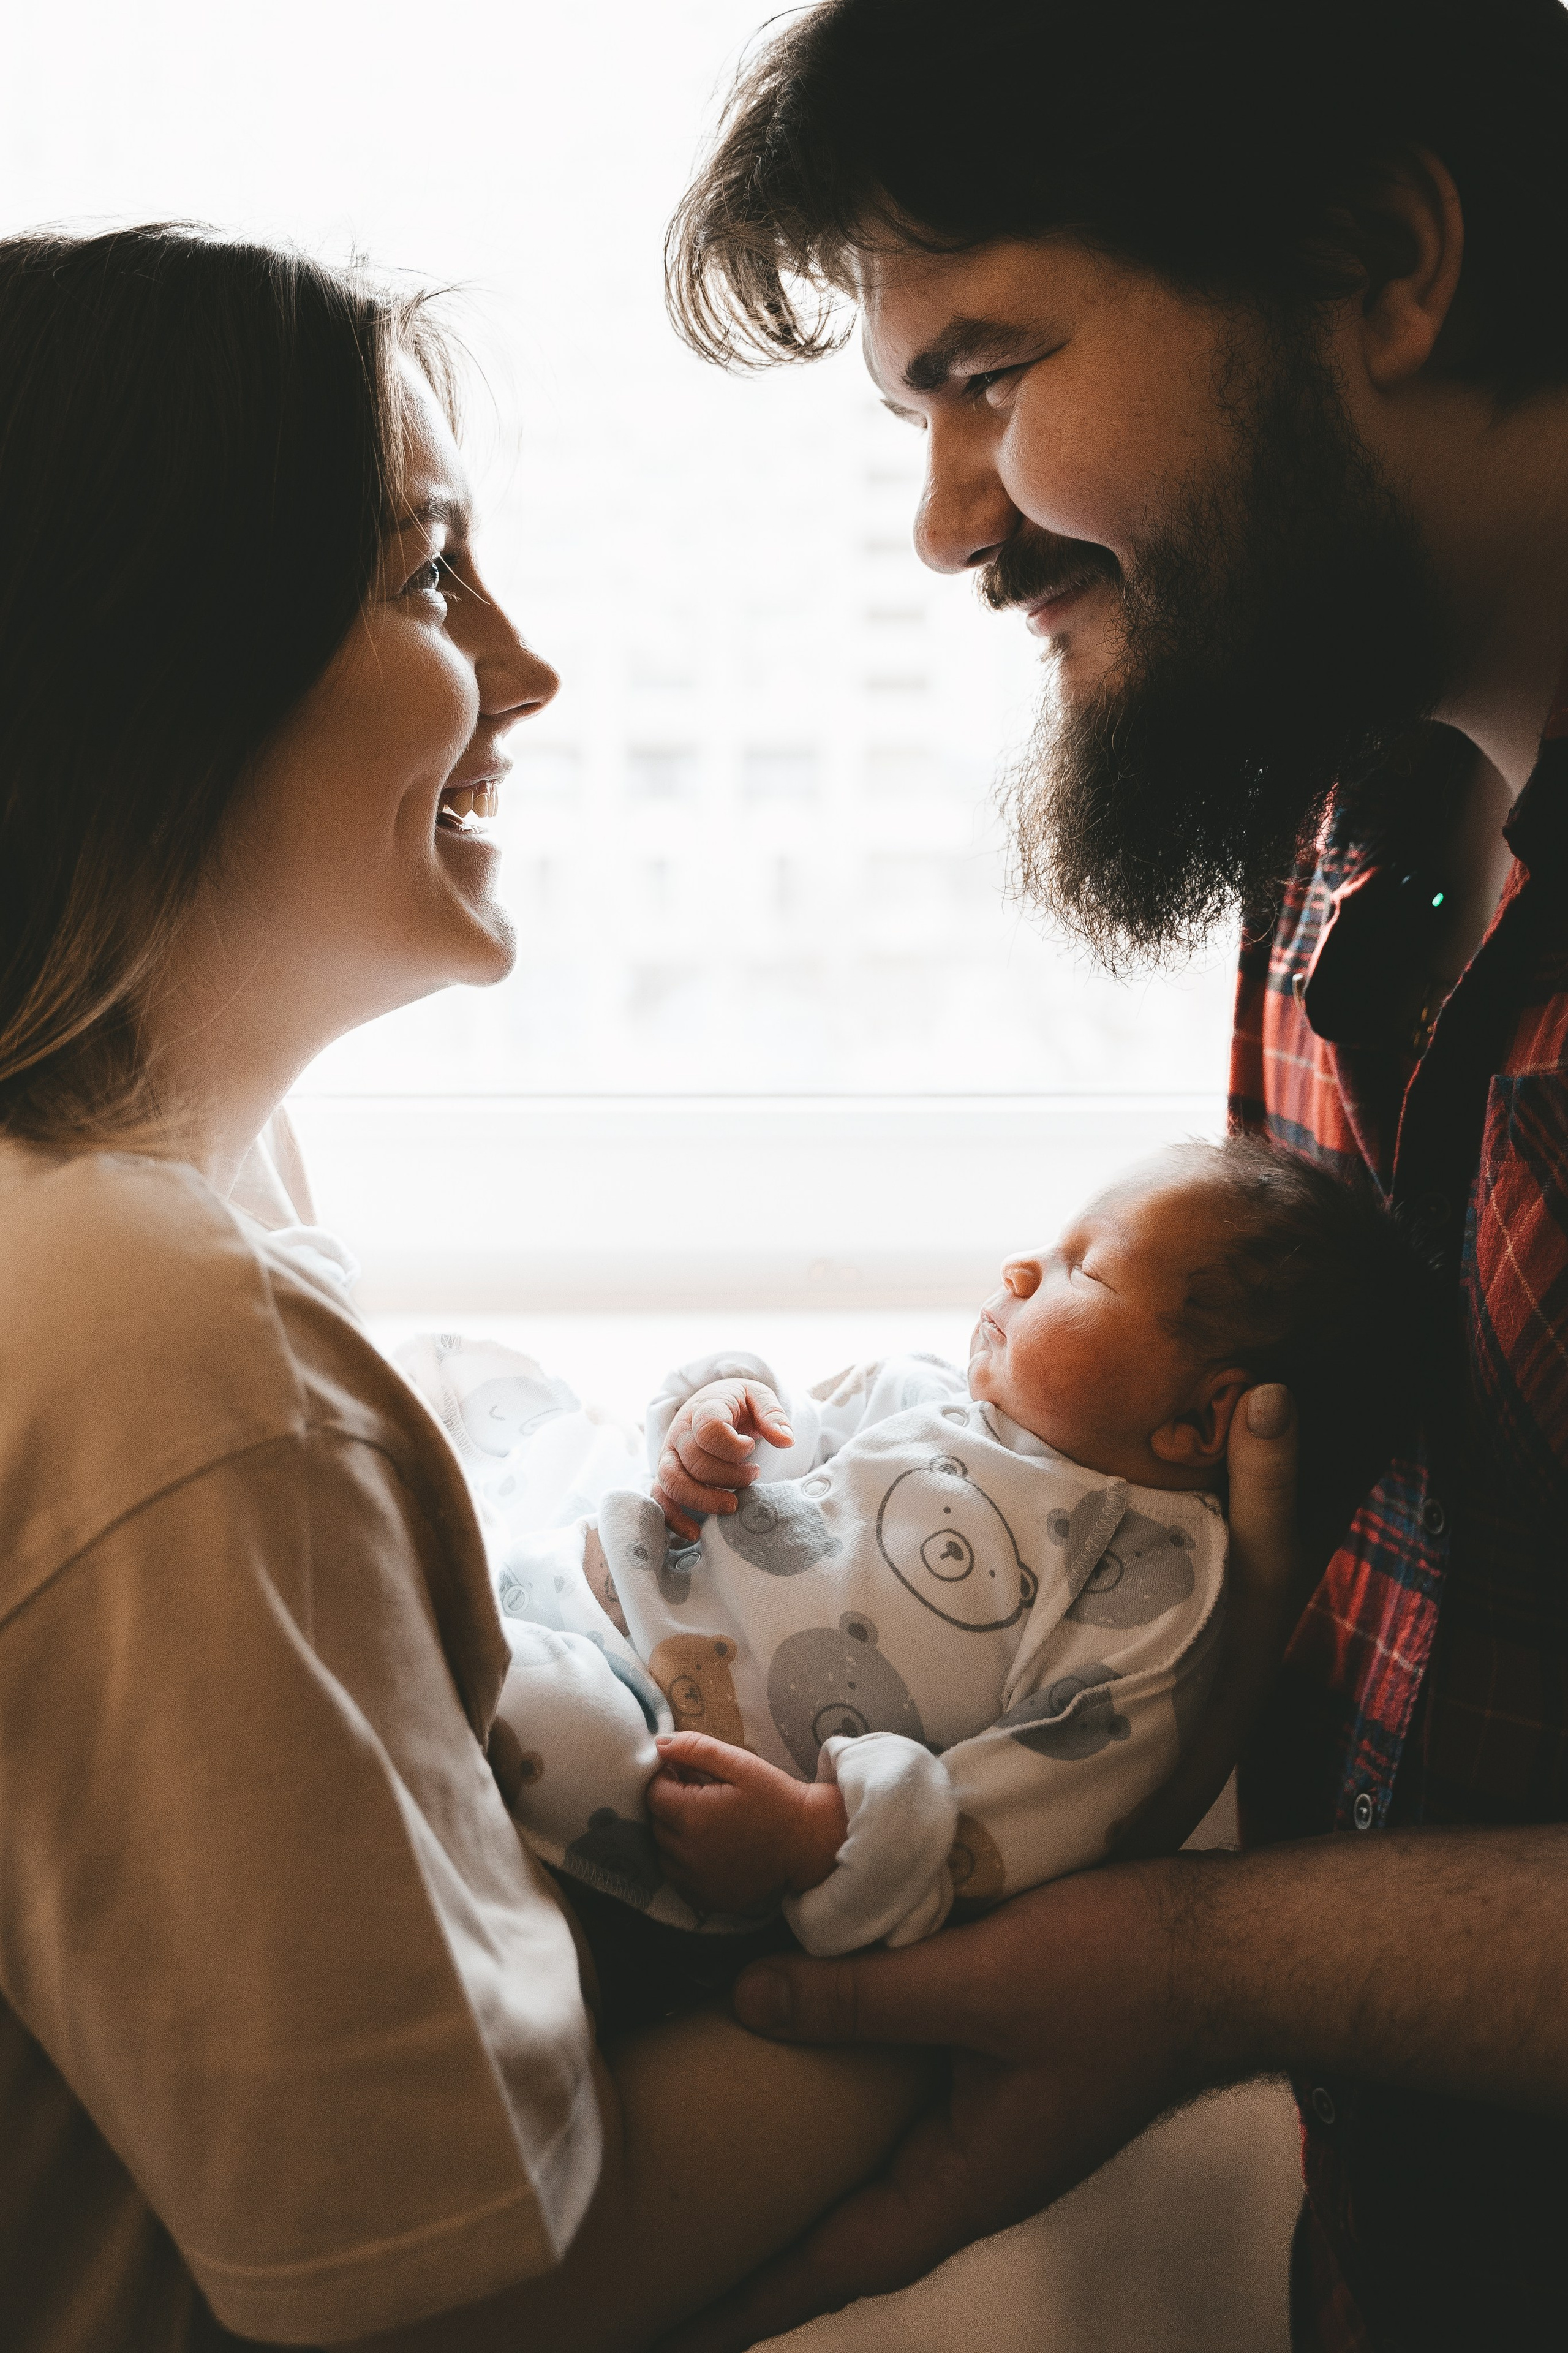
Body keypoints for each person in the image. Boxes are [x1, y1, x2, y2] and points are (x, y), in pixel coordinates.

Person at [658, 2, 1568, 2347]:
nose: (952, 524)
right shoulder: (1345, 804)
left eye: (990, 368)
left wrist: (1185, 1968)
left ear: (1387, 259)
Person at [0, 222, 936, 2353]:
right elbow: (454, 2303)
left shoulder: (186, 1197)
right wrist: (1049, 1935)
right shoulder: (147, 1335)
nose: (525, 668)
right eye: (430, 579)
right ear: (145, 654)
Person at [433, 1141, 1423, 1981]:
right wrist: (718, 1426)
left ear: (1202, 1419)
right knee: (505, 1421)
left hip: (665, 1743)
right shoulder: (928, 1388)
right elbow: (791, 1438)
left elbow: (1024, 1814)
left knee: (540, 1707)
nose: (1021, 1267)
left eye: (1086, 1269)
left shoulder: (1149, 1592)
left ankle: (431, 1619)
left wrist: (819, 1833)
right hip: (608, 1563)